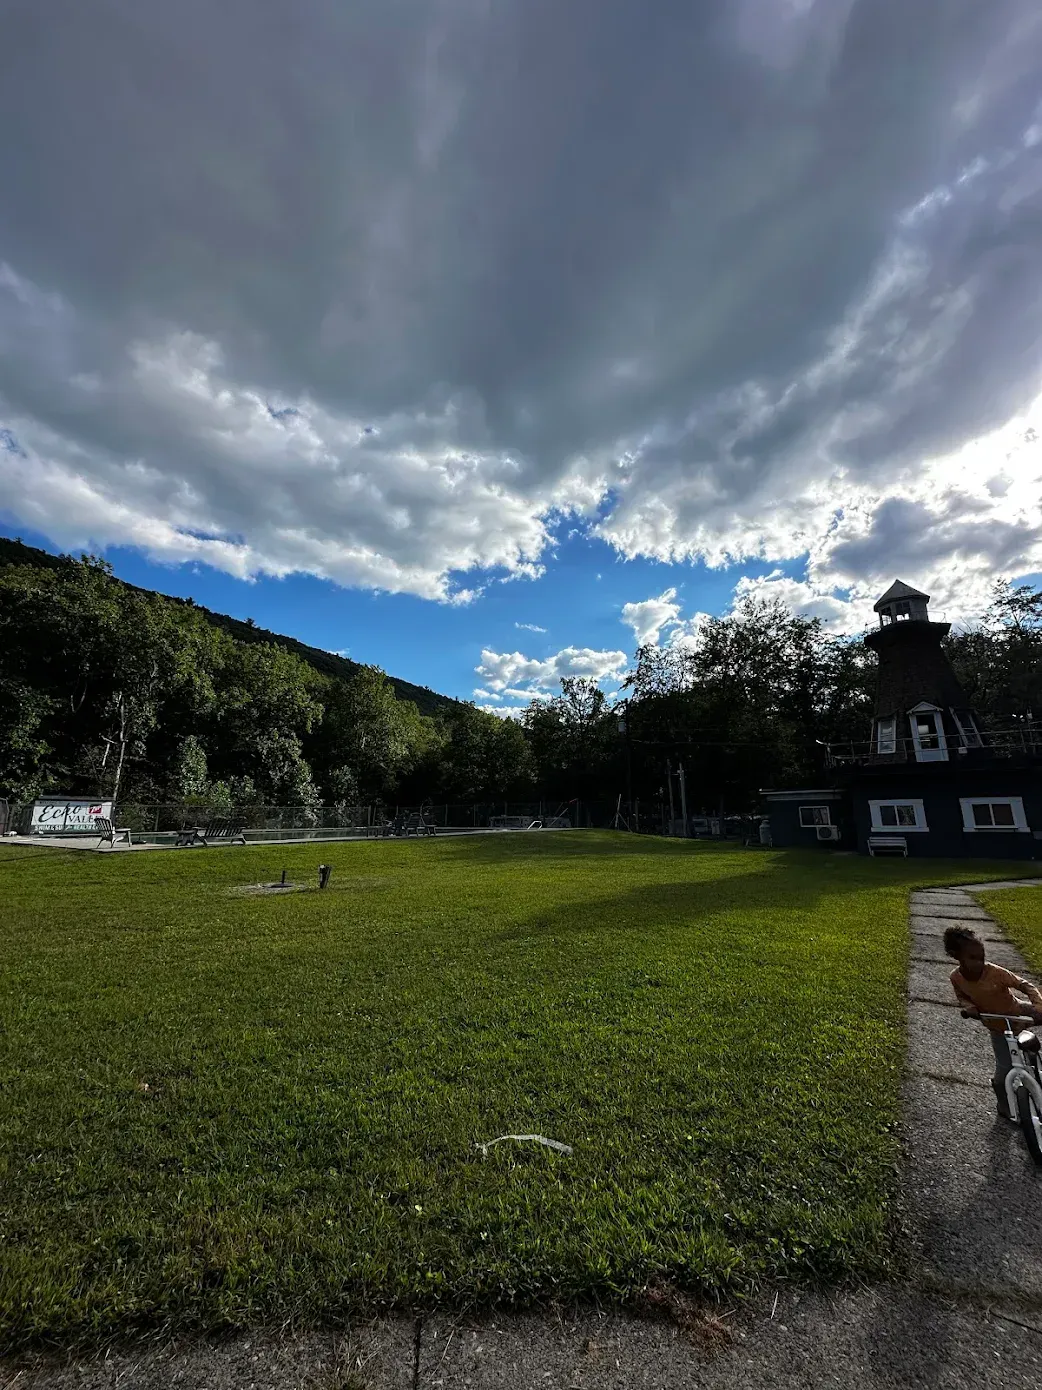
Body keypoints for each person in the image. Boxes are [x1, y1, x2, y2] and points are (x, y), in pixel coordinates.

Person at [944, 925, 1042, 1121]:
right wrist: (969, 1007)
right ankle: (1005, 1107)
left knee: (1037, 1022)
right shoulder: (956, 978)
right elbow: (962, 996)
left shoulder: (995, 972)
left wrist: (1038, 1003)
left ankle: (1033, 1055)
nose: (979, 962)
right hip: (997, 1026)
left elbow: (1023, 984)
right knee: (1002, 1074)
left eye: (982, 957)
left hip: (1017, 1013)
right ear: (956, 956)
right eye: (973, 958)